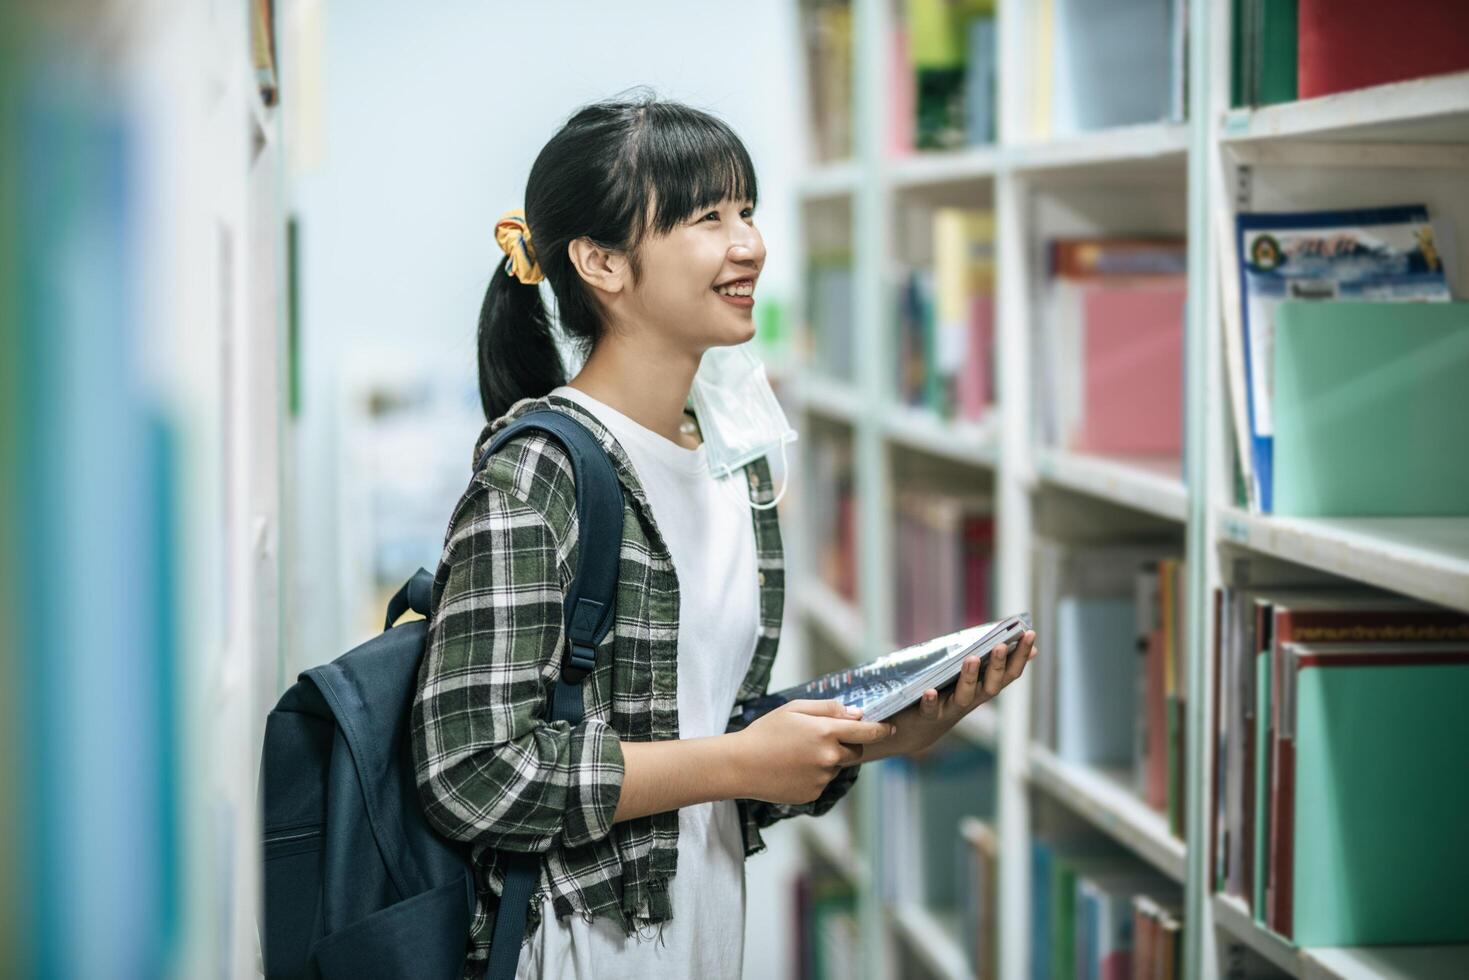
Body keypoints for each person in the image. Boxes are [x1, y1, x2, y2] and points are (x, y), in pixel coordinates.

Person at [410, 92, 1038, 980]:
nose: (748, 243)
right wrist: (737, 760)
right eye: (707, 217)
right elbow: (471, 774)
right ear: (600, 262)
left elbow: (701, 746)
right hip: (583, 951)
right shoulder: (543, 472)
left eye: (746, 210)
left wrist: (873, 737)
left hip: (703, 941)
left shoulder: (733, 463)